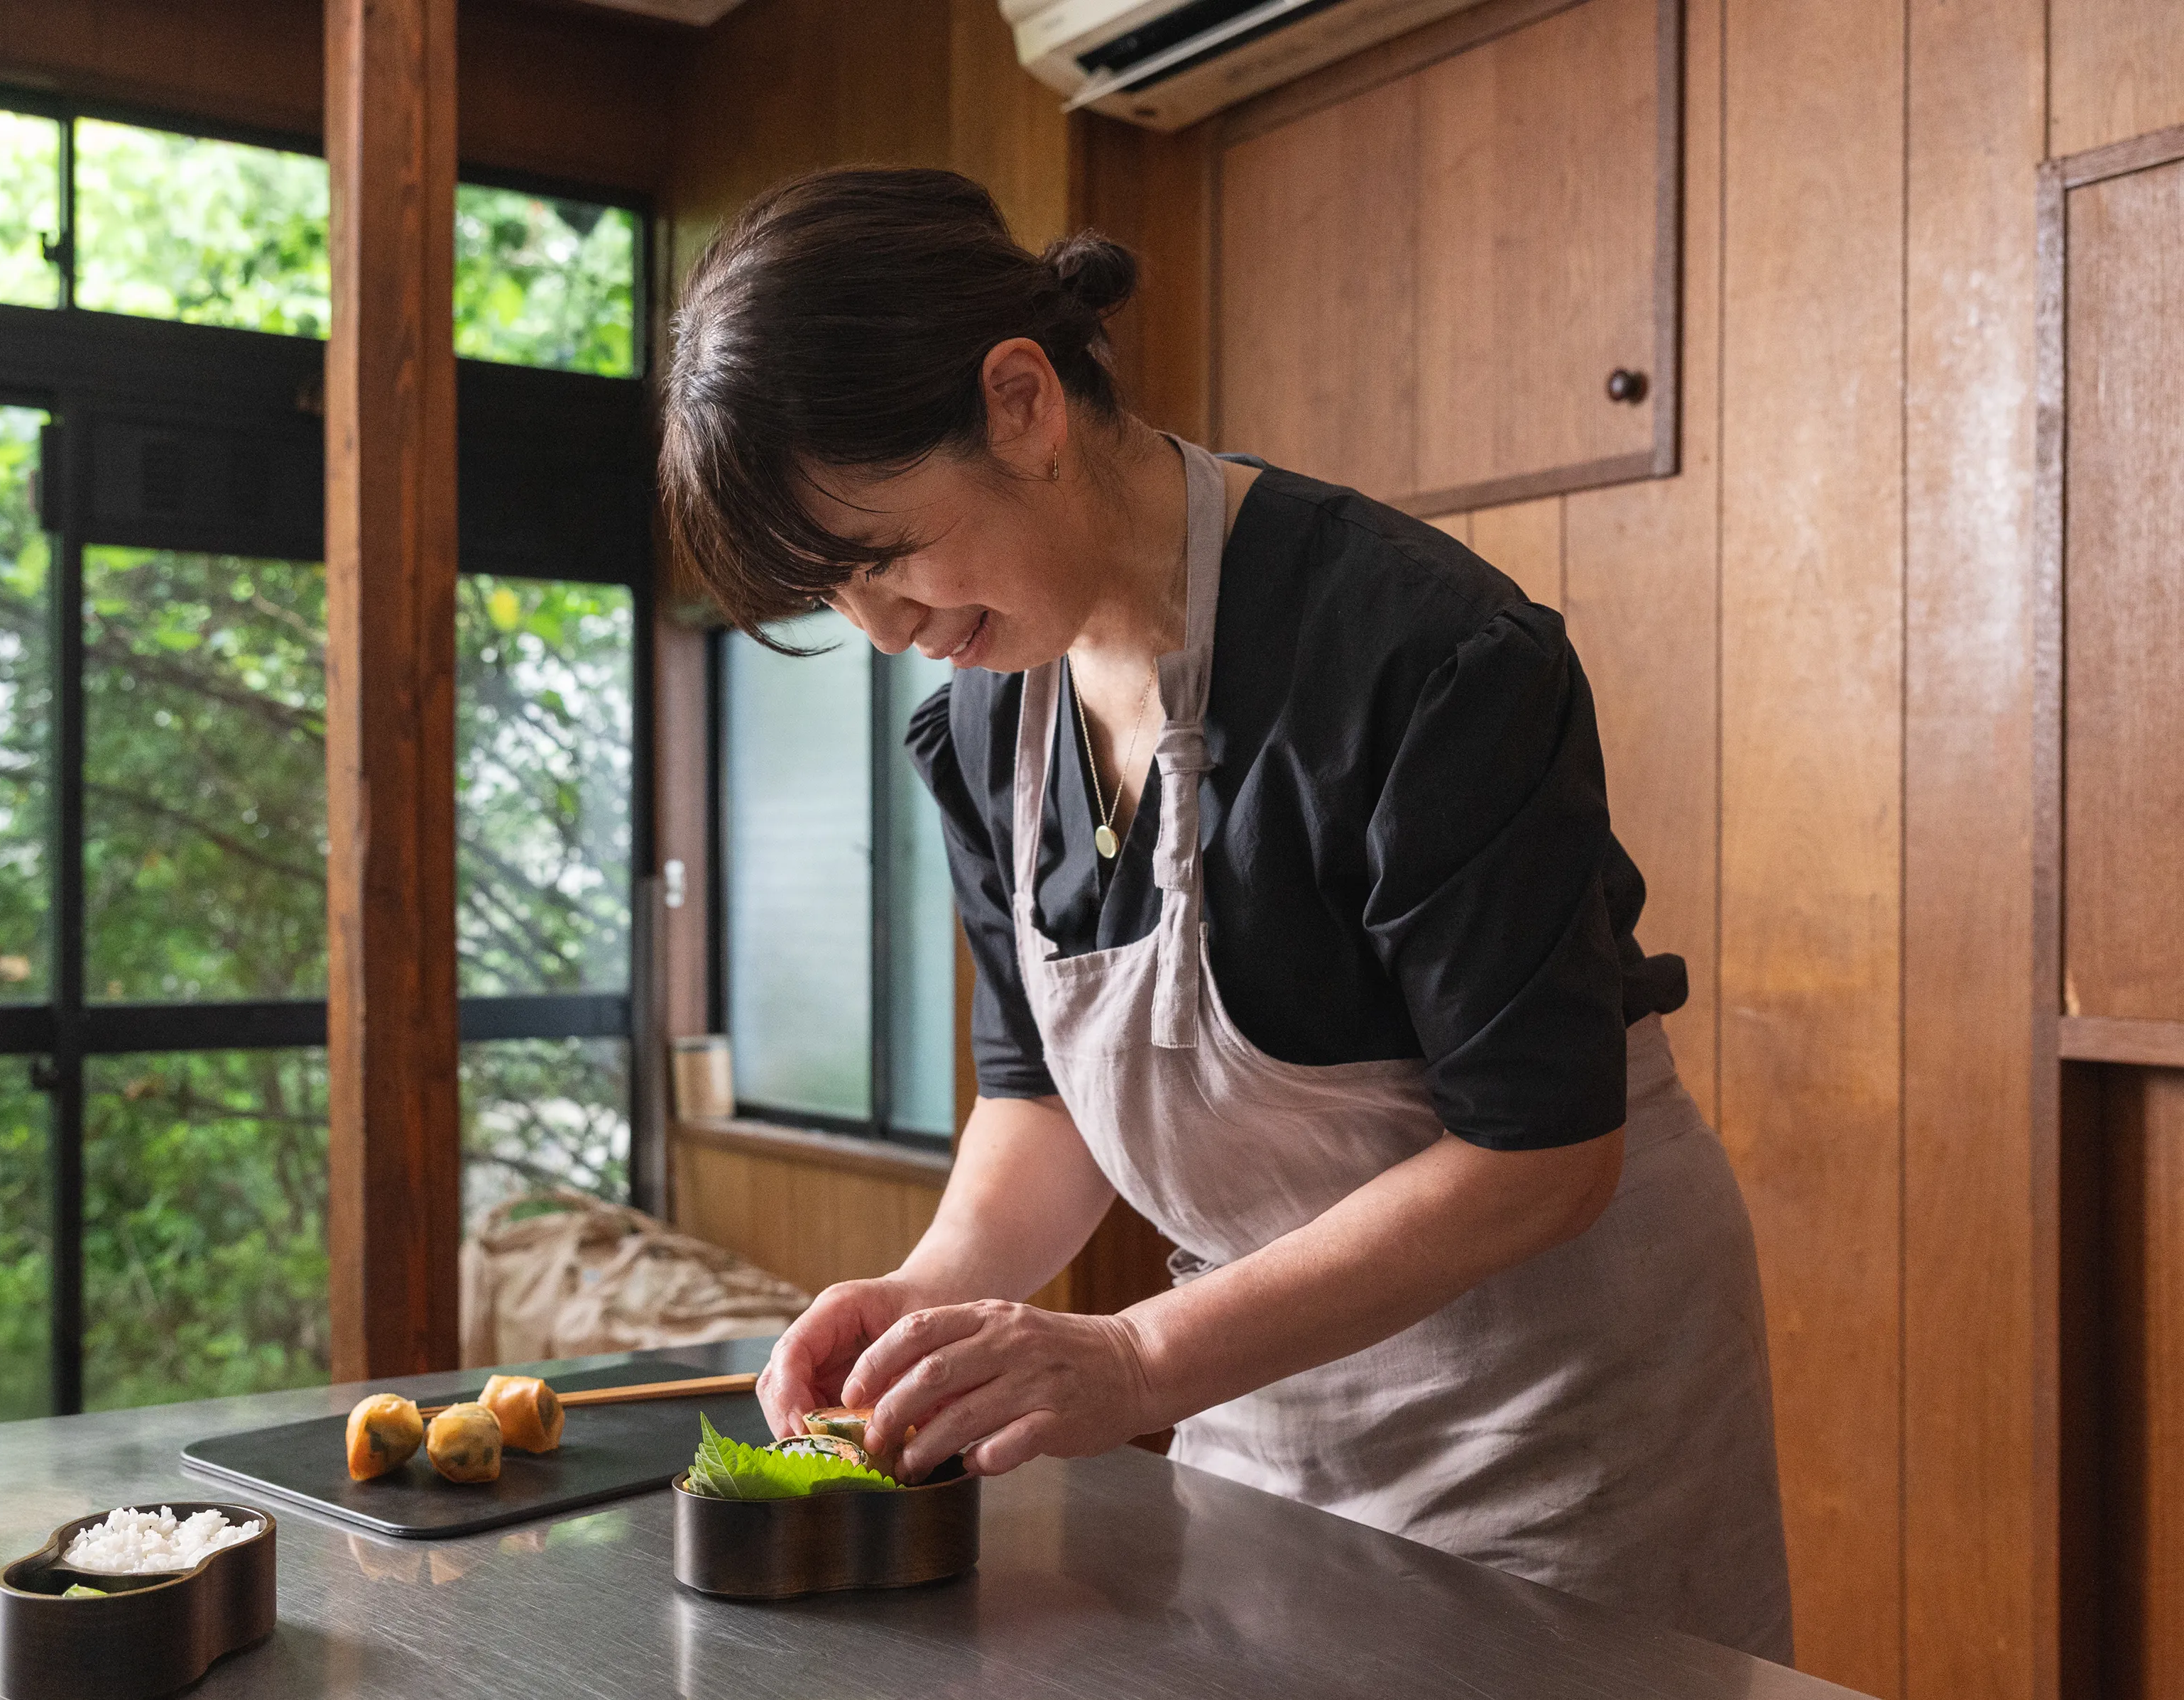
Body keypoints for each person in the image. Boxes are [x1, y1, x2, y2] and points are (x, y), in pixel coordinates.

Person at [658, 165, 1792, 1661]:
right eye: (834, 596)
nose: (883, 632)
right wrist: (928, 1302)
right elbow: (1046, 1102)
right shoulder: (989, 731)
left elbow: (1544, 1156)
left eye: (883, 556)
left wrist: (1136, 1357)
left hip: (1559, 1422)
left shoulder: (1422, 657)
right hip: (1261, 1407)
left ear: (1021, 403)